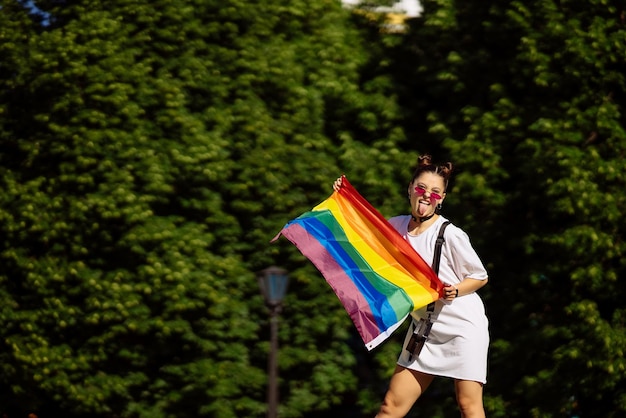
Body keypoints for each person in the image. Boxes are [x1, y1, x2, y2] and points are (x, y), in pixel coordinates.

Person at [334, 155, 489, 418]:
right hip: (423, 331)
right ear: (410, 189)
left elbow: (480, 276)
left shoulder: (449, 234)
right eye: (421, 188)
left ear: (442, 199)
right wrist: (344, 199)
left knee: (468, 406)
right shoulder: (395, 227)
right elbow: (361, 235)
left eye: (435, 192)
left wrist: (455, 290)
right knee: (390, 407)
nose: (427, 196)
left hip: (462, 327)